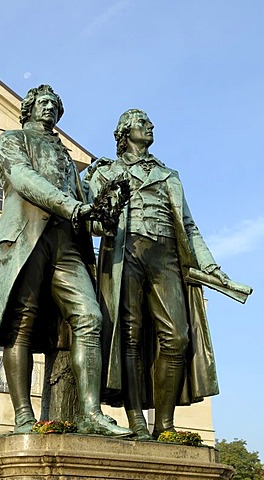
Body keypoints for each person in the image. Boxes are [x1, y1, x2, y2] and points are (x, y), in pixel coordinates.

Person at [0, 84, 131, 437]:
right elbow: (24, 180)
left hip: (66, 244)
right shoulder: (13, 139)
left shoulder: (65, 157)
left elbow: (84, 213)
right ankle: (23, 417)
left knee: (90, 317)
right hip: (24, 240)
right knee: (21, 325)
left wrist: (102, 212)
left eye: (54, 105)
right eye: (42, 102)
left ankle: (91, 413)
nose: (49, 108)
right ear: (29, 108)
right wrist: (74, 206)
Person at [84, 109, 229, 440]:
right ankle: (136, 419)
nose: (150, 127)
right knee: (129, 335)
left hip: (165, 255)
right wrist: (108, 211)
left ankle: (164, 423)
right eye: (142, 123)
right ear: (124, 132)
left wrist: (209, 265)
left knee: (177, 336)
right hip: (125, 251)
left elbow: (189, 227)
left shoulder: (168, 175)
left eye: (149, 124)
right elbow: (91, 222)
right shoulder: (105, 172)